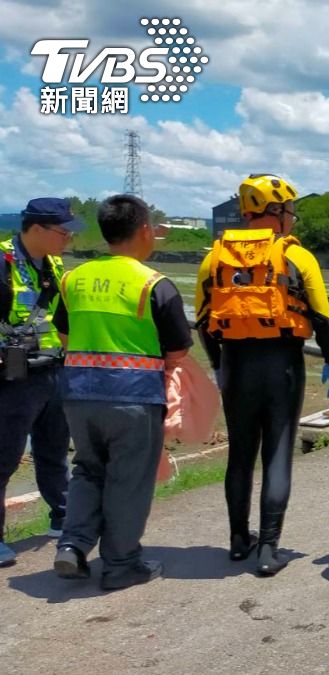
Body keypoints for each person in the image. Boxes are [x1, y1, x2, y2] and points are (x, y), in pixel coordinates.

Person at [195, 174, 329, 576]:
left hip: (237, 365)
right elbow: (324, 318)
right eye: (290, 210)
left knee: (240, 455)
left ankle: (239, 541)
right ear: (275, 212)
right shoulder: (298, 256)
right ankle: (269, 549)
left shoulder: (214, 257)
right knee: (277, 453)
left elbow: (205, 323)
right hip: (284, 364)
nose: (292, 219)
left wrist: (219, 365)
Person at [51, 195, 192, 590]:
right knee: (128, 479)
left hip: (78, 394)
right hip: (133, 397)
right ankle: (121, 564)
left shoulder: (72, 279)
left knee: (88, 468)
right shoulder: (153, 284)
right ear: (144, 230)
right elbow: (178, 349)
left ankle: (72, 545)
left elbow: (64, 333)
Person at [0, 198, 84, 567]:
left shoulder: (52, 263)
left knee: (54, 449)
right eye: (62, 231)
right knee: (4, 457)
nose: (68, 238)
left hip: (53, 369)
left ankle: (61, 515)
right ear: (36, 229)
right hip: (12, 377)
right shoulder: (2, 262)